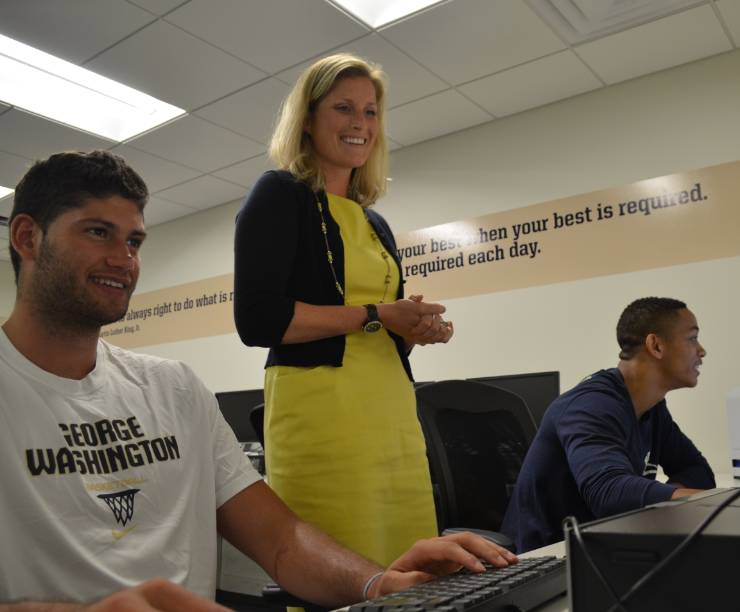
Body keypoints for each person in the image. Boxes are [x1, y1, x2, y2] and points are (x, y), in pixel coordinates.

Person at [0, 150, 516, 611]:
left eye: (133, 240)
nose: (124, 259)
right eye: (97, 232)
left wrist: (378, 585)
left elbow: (281, 540)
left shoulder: (173, 388)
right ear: (27, 237)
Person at [233, 54, 453, 567]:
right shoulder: (279, 194)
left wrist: (416, 329)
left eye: (371, 112)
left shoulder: (375, 222)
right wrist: (378, 314)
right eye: (344, 108)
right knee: (342, 570)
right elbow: (258, 320)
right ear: (308, 120)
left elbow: (381, 321)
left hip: (392, 413)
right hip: (325, 416)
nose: (360, 123)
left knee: (412, 565)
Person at [502, 297, 716, 552]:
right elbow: (608, 492)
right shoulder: (590, 405)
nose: (701, 351)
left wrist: (665, 499)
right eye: (692, 338)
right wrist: (697, 501)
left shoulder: (651, 407)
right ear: (656, 345)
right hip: (544, 562)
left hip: (602, 550)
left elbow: (697, 471)